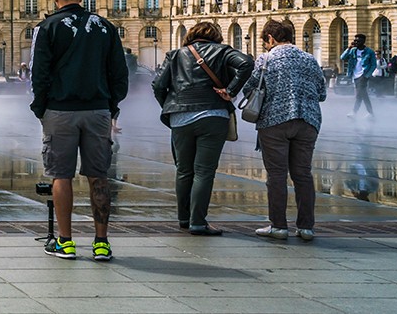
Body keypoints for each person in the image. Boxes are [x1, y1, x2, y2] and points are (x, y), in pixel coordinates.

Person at [30, 0, 128, 261]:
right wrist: (111, 107)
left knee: (61, 175)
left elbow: (39, 75)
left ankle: (66, 242)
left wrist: (41, 109)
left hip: (60, 110)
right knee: (99, 177)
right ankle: (101, 243)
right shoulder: (105, 27)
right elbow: (120, 74)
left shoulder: (47, 27)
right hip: (98, 110)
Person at [152, 22, 253, 236]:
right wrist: (231, 90)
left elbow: (158, 85)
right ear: (215, 36)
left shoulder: (176, 55)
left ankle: (183, 218)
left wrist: (170, 106)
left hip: (181, 117)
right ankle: (198, 221)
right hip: (213, 115)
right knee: (204, 171)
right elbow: (246, 63)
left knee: (184, 170)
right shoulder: (223, 51)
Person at [247, 19, 326, 241]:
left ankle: (279, 226)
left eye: (265, 42)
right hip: (308, 121)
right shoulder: (310, 59)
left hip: (274, 123)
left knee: (277, 175)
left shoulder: (265, 59)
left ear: (270, 39)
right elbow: (322, 93)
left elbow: (250, 89)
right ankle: (306, 227)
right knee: (303, 174)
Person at [340, 34, 378, 118]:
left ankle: (354, 111)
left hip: (363, 75)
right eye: (355, 40)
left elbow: (373, 65)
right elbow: (342, 57)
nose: (356, 42)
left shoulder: (369, 52)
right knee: (363, 95)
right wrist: (349, 48)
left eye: (358, 41)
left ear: (363, 41)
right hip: (354, 75)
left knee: (359, 94)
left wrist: (367, 75)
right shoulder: (353, 50)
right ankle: (371, 113)